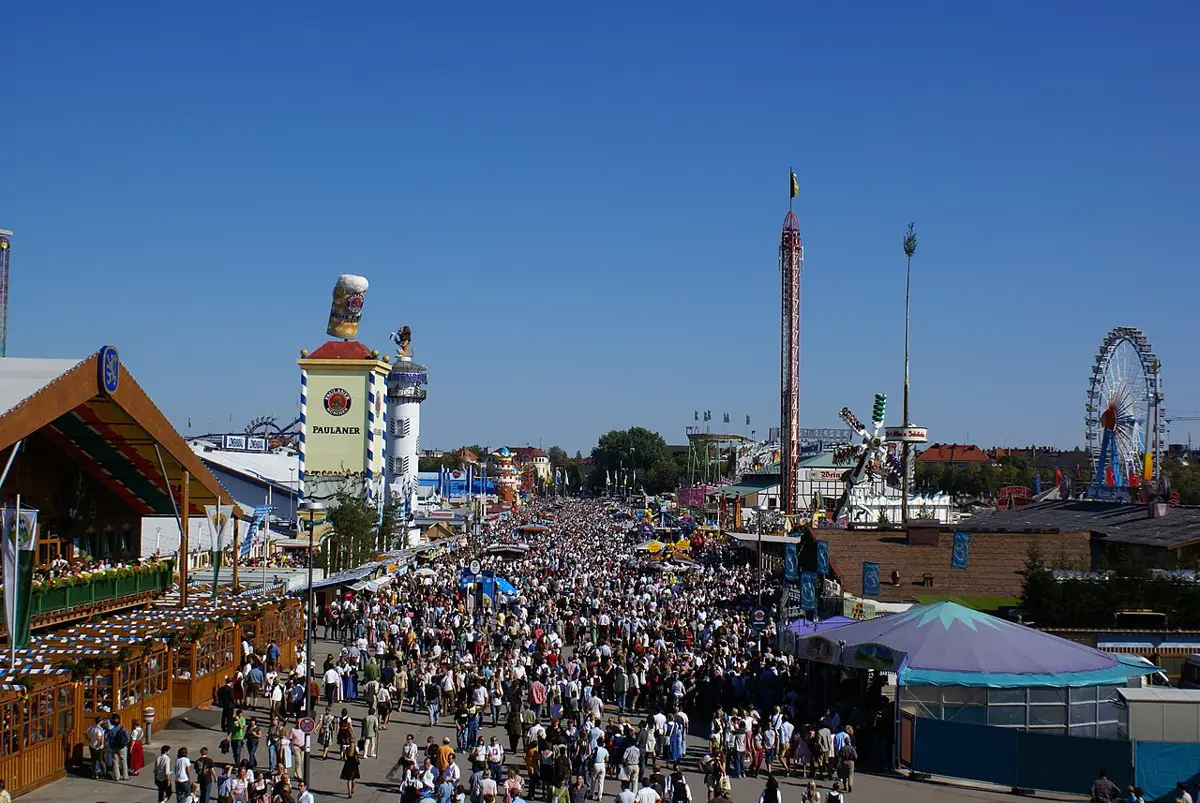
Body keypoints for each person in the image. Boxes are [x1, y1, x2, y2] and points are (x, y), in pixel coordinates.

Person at [107, 712, 131, 781]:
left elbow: (108, 739)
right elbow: (128, 737)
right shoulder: (122, 729)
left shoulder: (110, 731)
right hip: (122, 747)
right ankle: (125, 775)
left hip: (114, 747)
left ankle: (116, 776)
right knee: (124, 761)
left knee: (115, 762)